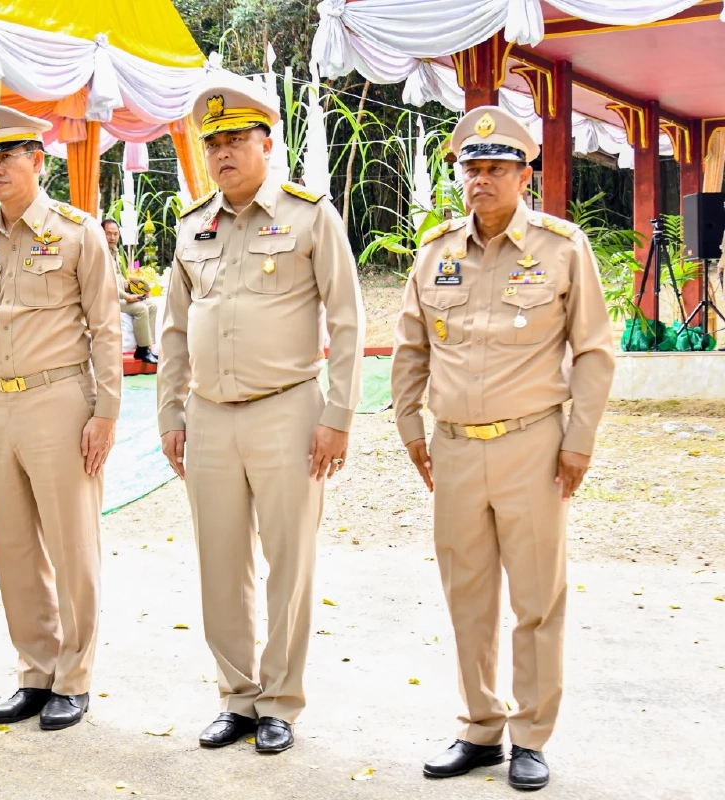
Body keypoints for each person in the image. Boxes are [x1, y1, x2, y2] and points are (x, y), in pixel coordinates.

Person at [391, 107, 615, 791]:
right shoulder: (436, 252)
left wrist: (578, 442)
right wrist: (410, 430)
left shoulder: (561, 246)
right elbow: (410, 348)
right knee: (468, 594)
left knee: (537, 598)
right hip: (455, 450)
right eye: (471, 169)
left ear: (525, 175)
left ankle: (531, 735)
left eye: (495, 168)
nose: (480, 181)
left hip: (533, 447)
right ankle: (479, 727)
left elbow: (596, 353)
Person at [157, 83, 364, 754]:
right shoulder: (192, 226)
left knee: (289, 560)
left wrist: (339, 413)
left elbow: (347, 318)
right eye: (212, 143)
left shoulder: (309, 217)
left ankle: (280, 700)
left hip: (287, 411)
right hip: (211, 417)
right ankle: (238, 696)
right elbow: (174, 332)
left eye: (236, 140)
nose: (223, 153)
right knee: (221, 563)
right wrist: (170, 411)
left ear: (266, 145)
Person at [0, 106, 122, 731]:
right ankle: (35, 670)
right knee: (14, 546)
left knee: (70, 543)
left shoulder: (78, 232)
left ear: (37, 159)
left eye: (7, 155)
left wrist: (105, 412)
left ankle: (75, 676)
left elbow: (107, 328)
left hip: (59, 401)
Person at [103, 217, 159, 364]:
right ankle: (141, 350)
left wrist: (141, 289)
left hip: (120, 296)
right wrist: (127, 297)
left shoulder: (115, 253)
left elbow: (121, 280)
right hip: (108, 299)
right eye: (108, 233)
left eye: (115, 234)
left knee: (152, 305)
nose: (112, 237)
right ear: (101, 233)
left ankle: (147, 347)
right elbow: (108, 282)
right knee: (140, 309)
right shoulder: (100, 254)